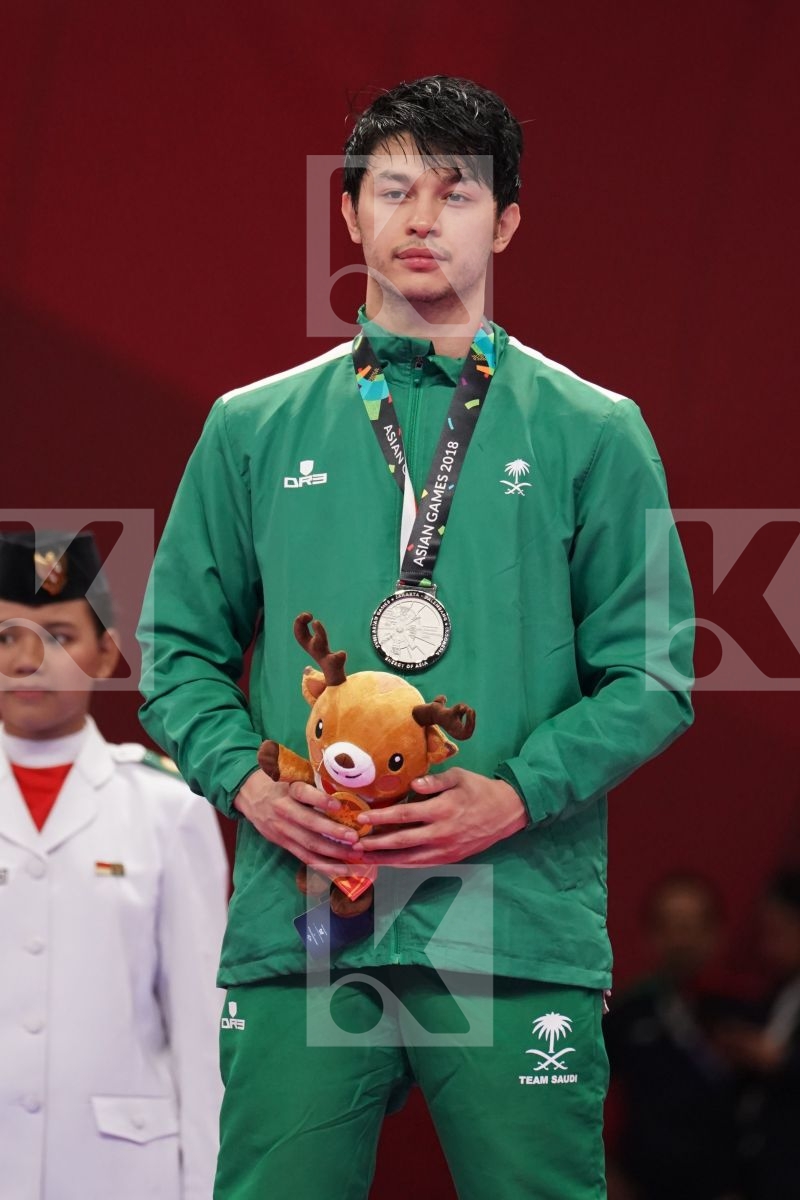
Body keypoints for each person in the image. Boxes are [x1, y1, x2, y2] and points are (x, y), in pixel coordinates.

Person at [137, 75, 695, 1199]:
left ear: (508, 223)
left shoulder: (593, 430)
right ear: (348, 217)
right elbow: (173, 655)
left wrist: (515, 791)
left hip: (512, 915)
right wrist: (249, 784)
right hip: (305, 915)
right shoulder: (251, 428)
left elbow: (653, 674)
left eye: (455, 194)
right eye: (392, 190)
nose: (421, 218)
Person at [0, 529, 228, 1200]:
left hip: (121, 1170)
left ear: (107, 653)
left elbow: (201, 1028)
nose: (26, 659)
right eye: (6, 636)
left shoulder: (166, 808)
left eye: (60, 636)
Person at [603, 873, 741, 1200]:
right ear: (651, 935)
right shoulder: (625, 1014)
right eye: (670, 926)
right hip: (640, 1186)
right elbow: (581, 1097)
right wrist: (607, 1171)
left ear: (715, 933)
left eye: (692, 927)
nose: (681, 940)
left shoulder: (745, 1012)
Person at [715, 868, 800, 1199]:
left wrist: (781, 1060)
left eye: (778, 933)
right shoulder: (778, 992)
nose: (767, 947)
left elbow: (779, 1060)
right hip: (760, 1170)